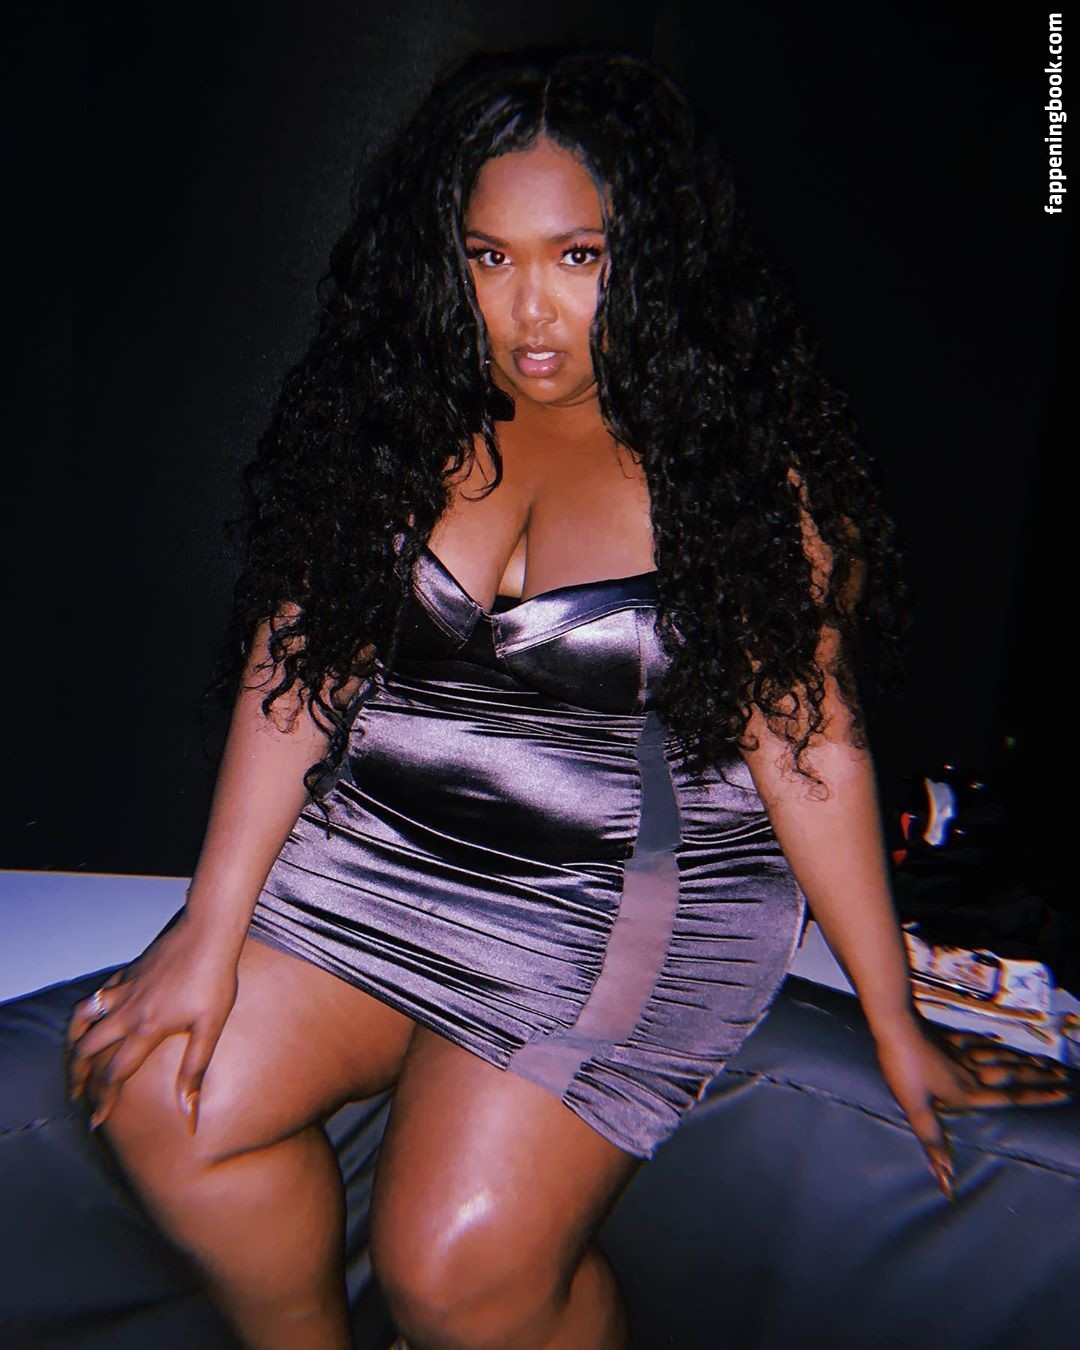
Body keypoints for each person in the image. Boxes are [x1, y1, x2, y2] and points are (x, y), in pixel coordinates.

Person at [63, 45, 1072, 1350]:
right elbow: (295, 667)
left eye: (577, 257)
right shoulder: (405, 419)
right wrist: (211, 927)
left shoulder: (737, 479)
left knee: (455, 1268)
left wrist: (895, 1016)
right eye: (490, 258)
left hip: (607, 905)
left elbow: (807, 743)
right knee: (158, 1092)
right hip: (382, 857)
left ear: (649, 255)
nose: (530, 312)